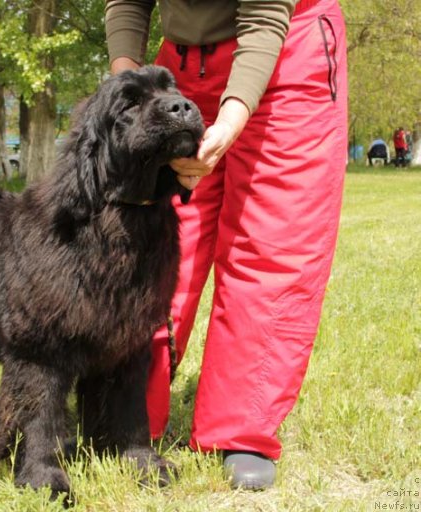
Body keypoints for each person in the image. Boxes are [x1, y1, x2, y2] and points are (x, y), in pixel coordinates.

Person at [105, 0, 347, 490]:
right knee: (153, 233)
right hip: (182, 65)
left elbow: (263, 18)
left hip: (286, 56)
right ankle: (124, 412)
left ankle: (240, 427)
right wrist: (124, 92)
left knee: (272, 245)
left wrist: (229, 125)